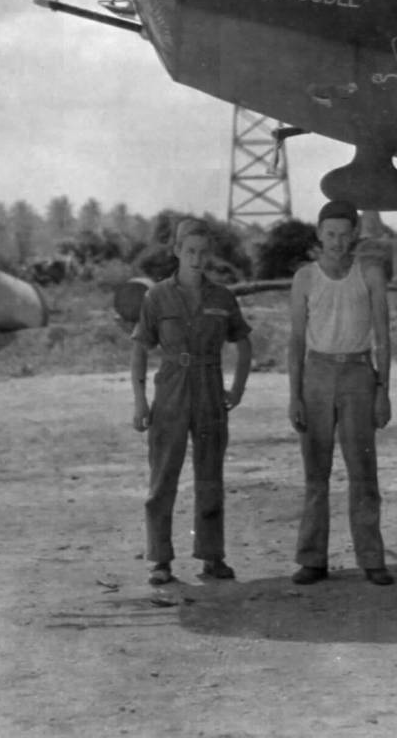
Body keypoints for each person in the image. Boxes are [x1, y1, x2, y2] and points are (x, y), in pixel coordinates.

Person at [131, 217, 252, 586]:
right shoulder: (157, 297)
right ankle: (160, 560)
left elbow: (243, 342)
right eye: (190, 251)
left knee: (210, 476)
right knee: (163, 475)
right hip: (171, 387)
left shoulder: (222, 297)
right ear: (177, 252)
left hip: (210, 387)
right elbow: (139, 346)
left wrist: (238, 387)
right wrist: (139, 401)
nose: (197, 259)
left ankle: (212, 557)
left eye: (203, 252)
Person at [288, 198, 394, 586]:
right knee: (316, 472)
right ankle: (312, 559)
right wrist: (294, 395)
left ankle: (371, 558)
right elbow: (296, 341)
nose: (336, 242)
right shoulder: (305, 278)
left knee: (363, 471)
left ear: (355, 236)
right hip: (316, 375)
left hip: (358, 375)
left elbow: (383, 336)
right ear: (319, 234)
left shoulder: (370, 273)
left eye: (344, 234)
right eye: (330, 234)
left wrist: (383, 391)